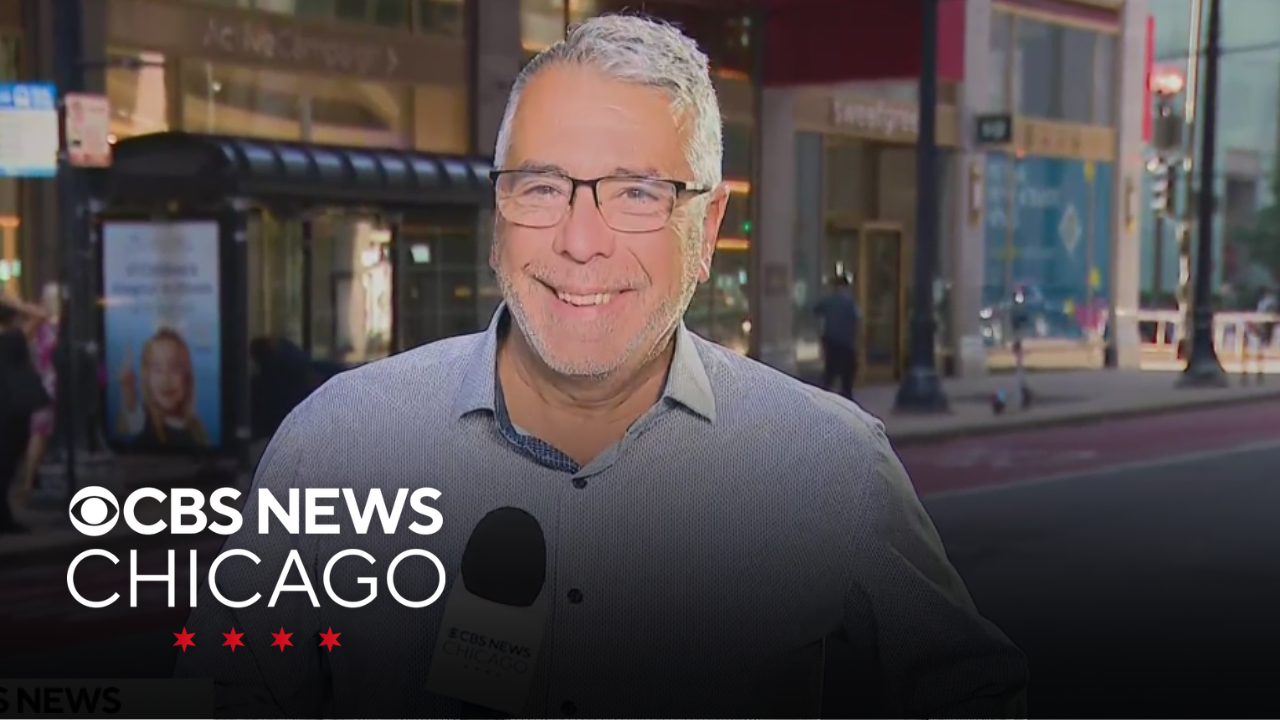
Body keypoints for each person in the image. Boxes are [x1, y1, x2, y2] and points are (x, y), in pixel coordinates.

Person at [174, 15, 1027, 718]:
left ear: (708, 227)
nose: (581, 242)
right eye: (543, 187)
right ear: (500, 210)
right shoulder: (336, 444)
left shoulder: (828, 464)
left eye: (637, 194)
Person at [0, 299, 51, 534]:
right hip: (13, 410)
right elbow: (41, 313)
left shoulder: (13, 338)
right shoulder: (14, 338)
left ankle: (4, 517)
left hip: (10, 409)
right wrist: (13, 301)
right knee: (8, 464)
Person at [116, 327, 208, 450]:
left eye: (175, 368)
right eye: (157, 369)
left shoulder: (196, 427)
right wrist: (127, 387)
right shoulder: (143, 418)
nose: (166, 379)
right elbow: (128, 421)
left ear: (187, 377)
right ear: (147, 378)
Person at [21, 283, 60, 497]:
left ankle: (32, 478)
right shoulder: (50, 326)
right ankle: (29, 480)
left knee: (41, 433)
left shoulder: (41, 326)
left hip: (44, 382)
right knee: (40, 433)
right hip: (49, 384)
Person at [814, 273, 862, 399]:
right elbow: (858, 319)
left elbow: (816, 310)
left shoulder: (829, 301)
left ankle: (823, 399)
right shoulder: (851, 303)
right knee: (847, 377)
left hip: (832, 342)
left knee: (829, 375)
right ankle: (846, 399)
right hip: (846, 344)